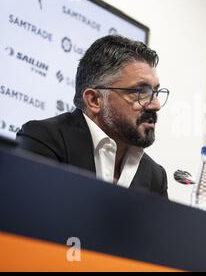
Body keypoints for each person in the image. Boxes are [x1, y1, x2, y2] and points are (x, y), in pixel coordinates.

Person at [16, 35, 169, 197]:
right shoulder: (44, 140)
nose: (156, 105)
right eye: (141, 92)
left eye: (155, 92)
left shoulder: (155, 176)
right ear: (94, 100)